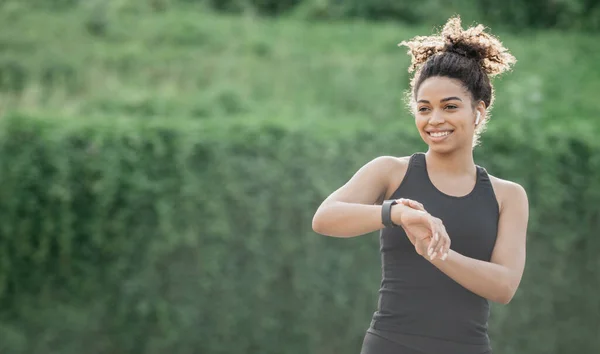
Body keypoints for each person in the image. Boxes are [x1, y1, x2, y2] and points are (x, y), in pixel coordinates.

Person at [311, 16, 529, 354]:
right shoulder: (390, 172)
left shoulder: (508, 196)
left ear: (479, 111)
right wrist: (396, 214)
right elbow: (325, 218)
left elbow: (504, 286)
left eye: (450, 107)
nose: (435, 119)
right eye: (424, 108)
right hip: (390, 345)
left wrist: (436, 252)